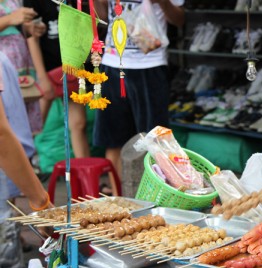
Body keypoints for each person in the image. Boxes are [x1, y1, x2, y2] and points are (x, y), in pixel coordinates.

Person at [94, 0, 185, 180]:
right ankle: (118, 197)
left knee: (155, 141)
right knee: (114, 140)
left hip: (150, 64)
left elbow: (180, 20)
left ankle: (154, 197)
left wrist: (163, 2)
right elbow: (102, 16)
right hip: (112, 62)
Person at [24, 0, 90, 158]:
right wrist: (42, 77)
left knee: (79, 124)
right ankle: (21, 166)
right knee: (33, 127)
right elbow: (31, 38)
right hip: (47, 70)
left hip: (72, 69)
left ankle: (84, 174)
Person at [0, 0, 46, 135]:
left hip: (22, 66)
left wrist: (29, 29)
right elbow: (10, 20)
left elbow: (15, 27)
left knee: (24, 127)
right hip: (3, 69)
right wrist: (9, 19)